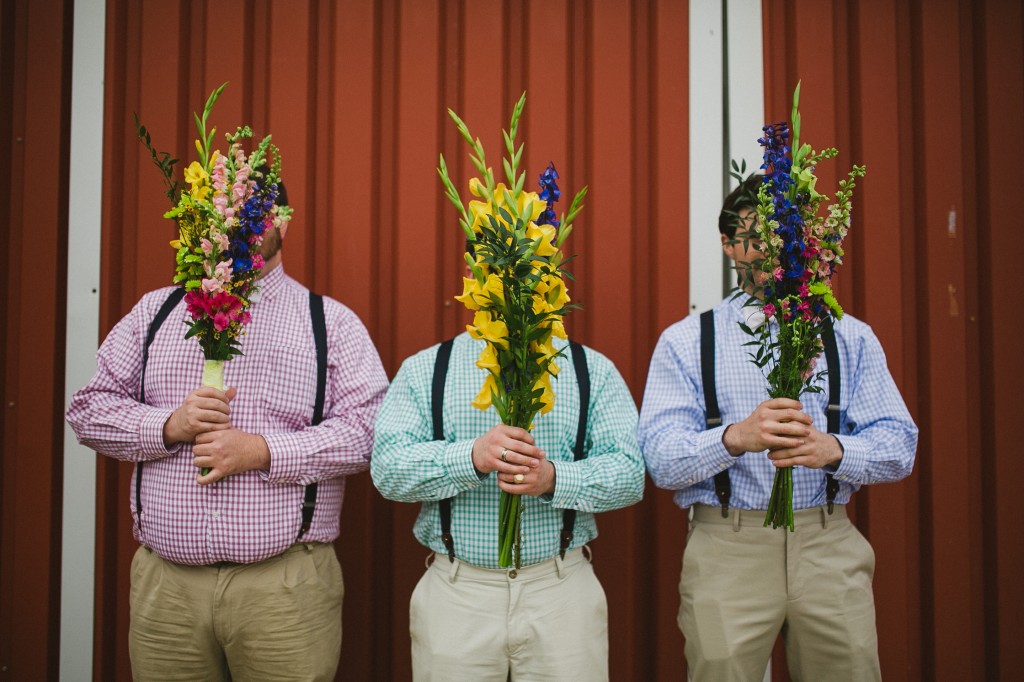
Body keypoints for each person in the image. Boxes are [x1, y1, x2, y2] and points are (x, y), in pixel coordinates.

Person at [66, 179, 389, 681]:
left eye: (254, 212)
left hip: (284, 591)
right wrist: (167, 425)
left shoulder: (329, 323)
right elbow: (88, 410)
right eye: (226, 211)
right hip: (166, 590)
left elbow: (369, 431)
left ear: (282, 219)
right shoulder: (158, 312)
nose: (238, 225)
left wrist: (262, 451)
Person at [637, 175, 918, 681]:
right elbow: (659, 459)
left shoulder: (849, 337)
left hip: (827, 542)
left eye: (781, 233)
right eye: (753, 235)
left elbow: (900, 445)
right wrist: (733, 438)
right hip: (727, 547)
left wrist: (835, 449)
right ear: (728, 246)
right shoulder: (686, 341)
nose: (771, 248)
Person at [371, 310, 645, 680]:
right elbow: (388, 470)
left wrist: (553, 479)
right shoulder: (426, 369)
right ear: (475, 275)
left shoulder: (591, 369)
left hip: (561, 591)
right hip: (458, 592)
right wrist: (471, 457)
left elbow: (630, 473)